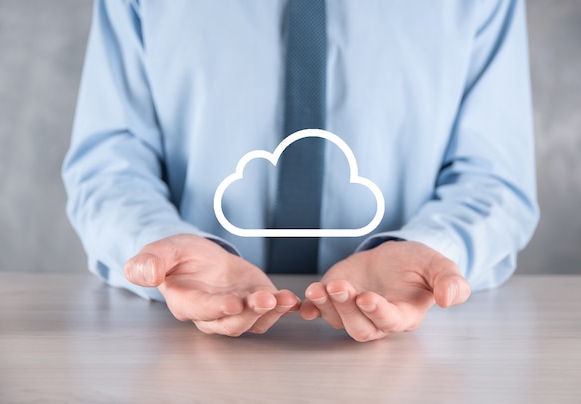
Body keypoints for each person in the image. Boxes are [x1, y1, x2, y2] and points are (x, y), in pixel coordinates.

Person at [62, 0, 539, 342]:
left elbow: (493, 176)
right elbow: (110, 161)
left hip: (415, 350)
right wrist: (157, 246)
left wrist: (432, 253)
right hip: (176, 341)